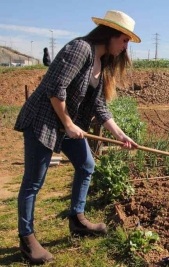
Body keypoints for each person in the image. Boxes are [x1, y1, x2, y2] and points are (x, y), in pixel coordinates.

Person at [14, 10, 141, 264]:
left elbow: (99, 107)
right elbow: (55, 87)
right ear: (111, 34)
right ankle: (27, 240)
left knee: (86, 165)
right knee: (33, 182)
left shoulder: (102, 62)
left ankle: (77, 219)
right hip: (45, 120)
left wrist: (121, 135)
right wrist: (69, 123)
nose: (126, 47)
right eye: (125, 40)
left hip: (66, 124)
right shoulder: (80, 49)